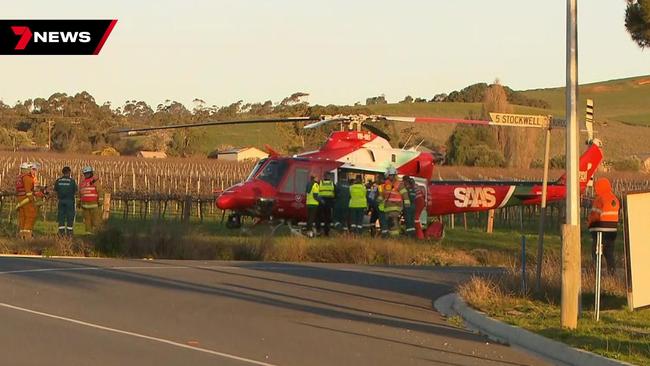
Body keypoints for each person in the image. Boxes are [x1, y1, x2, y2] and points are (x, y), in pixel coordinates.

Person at [587, 177, 620, 275]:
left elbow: (594, 216)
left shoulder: (599, 199)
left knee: (596, 253)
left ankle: (597, 274)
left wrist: (589, 225)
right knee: (609, 253)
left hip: (600, 231)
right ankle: (612, 274)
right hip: (612, 232)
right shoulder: (615, 199)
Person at [15, 162, 37, 240]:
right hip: (26, 200)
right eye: (29, 168)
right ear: (26, 169)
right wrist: (33, 199)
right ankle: (27, 236)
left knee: (22, 217)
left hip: (20, 199)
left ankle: (22, 236)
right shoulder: (27, 178)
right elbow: (28, 191)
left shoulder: (19, 177)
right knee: (30, 216)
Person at [54, 166, 77, 237]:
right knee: (70, 216)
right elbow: (75, 191)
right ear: (69, 172)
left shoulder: (58, 180)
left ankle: (61, 232)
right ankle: (69, 232)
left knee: (61, 216)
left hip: (61, 201)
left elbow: (55, 190)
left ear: (62, 172)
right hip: (70, 201)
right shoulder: (72, 181)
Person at [79, 166, 102, 234]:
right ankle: (88, 234)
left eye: (88, 173)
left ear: (91, 173)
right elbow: (80, 193)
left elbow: (100, 191)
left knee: (95, 220)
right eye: (85, 173)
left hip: (94, 204)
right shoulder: (82, 183)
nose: (87, 174)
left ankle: (97, 233)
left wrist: (100, 200)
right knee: (87, 220)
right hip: (85, 205)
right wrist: (79, 202)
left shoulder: (95, 181)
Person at [318, 172, 335, 236]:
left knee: (320, 217)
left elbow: (318, 192)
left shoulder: (320, 183)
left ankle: (319, 231)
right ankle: (326, 232)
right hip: (328, 202)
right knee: (327, 218)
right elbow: (334, 193)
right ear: (329, 176)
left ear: (324, 176)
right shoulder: (331, 183)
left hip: (322, 202)